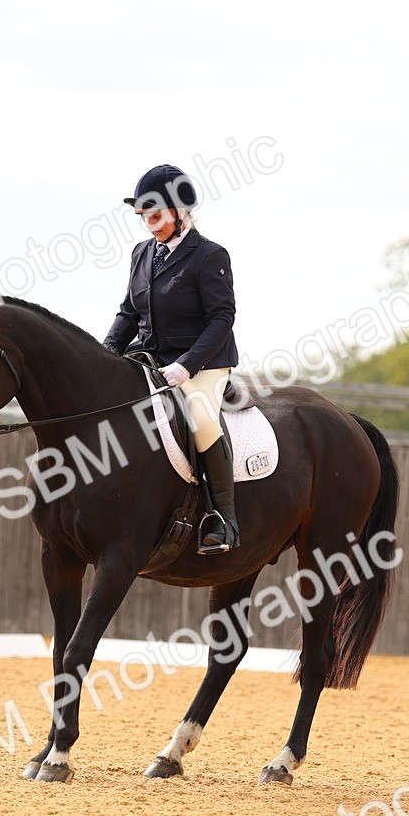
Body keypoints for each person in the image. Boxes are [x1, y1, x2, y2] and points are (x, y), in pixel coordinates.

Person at [104, 164, 240, 553]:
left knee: (198, 414)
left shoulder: (209, 255)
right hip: (148, 355)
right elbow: (129, 313)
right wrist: (107, 352)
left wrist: (186, 365)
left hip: (203, 361)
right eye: (144, 216)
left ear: (181, 212)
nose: (150, 224)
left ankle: (223, 519)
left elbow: (222, 318)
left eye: (157, 215)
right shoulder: (142, 253)